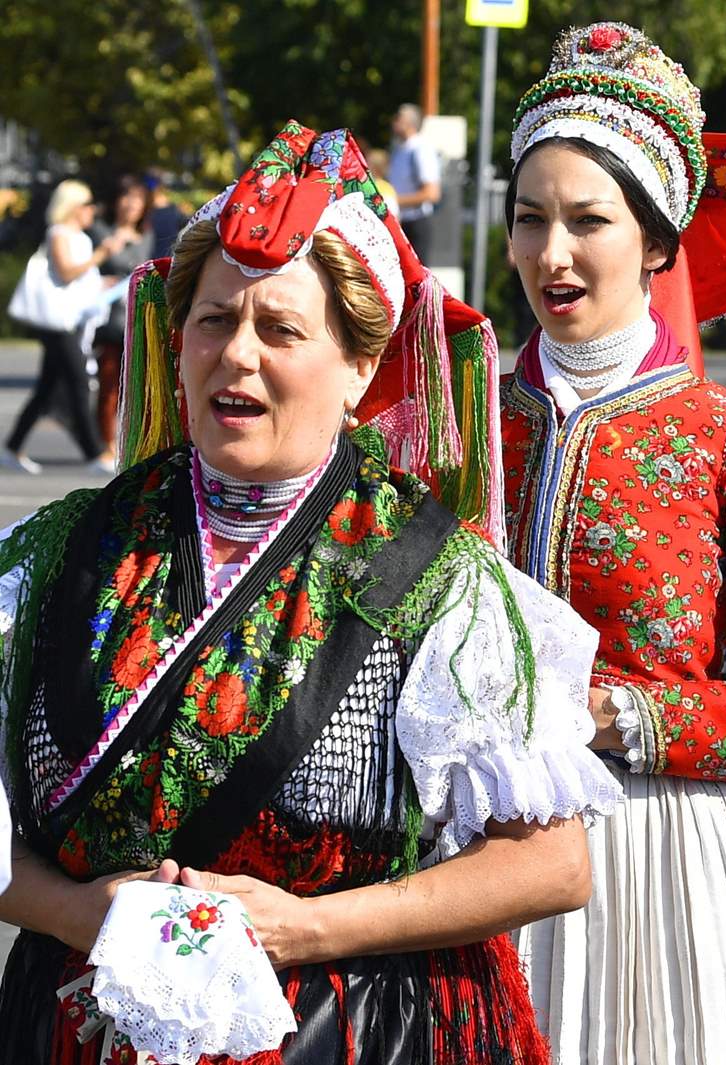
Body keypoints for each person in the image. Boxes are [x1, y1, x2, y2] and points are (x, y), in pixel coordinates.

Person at [0, 122, 621, 1063]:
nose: (236, 355)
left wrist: (305, 927)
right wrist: (75, 910)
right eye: (213, 320)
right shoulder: (63, 550)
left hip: (350, 1027)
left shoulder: (442, 583)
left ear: (361, 367)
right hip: (75, 1023)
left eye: (281, 328)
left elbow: (551, 861)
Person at [499, 24, 726, 1064]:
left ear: (658, 242)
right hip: (459, 865)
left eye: (586, 221)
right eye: (529, 221)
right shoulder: (457, 426)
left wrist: (620, 714)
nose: (551, 254)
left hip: (661, 874)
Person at [4, 179, 121, 474]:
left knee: (45, 390)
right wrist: (102, 255)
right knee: (79, 383)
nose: (91, 210)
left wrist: (103, 281)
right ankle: (94, 453)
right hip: (58, 323)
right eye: (87, 204)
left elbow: (80, 280)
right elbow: (67, 272)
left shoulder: (80, 237)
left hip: (72, 319)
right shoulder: (59, 233)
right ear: (73, 206)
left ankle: (12, 446)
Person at [91, 174, 154, 456]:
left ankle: (131, 441)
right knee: (109, 385)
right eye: (126, 198)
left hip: (137, 321)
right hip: (108, 322)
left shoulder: (147, 235)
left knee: (137, 387)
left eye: (137, 199)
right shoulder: (101, 232)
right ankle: (106, 444)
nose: (131, 205)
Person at [390, 103, 442, 263]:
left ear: (409, 123)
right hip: (401, 221)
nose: (394, 121)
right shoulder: (400, 149)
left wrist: (393, 201)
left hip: (416, 223)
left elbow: (432, 193)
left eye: (399, 117)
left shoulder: (420, 149)